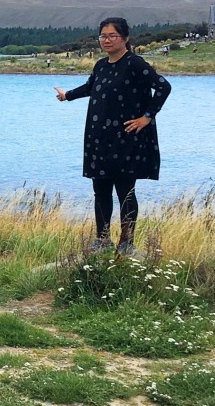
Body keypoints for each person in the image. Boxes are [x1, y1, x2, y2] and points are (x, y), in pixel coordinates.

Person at [54, 17, 171, 254]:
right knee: (101, 190)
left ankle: (127, 243)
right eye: (103, 36)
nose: (106, 40)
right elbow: (90, 88)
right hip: (99, 139)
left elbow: (163, 86)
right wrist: (67, 96)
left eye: (112, 36)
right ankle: (103, 240)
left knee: (125, 191)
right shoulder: (101, 65)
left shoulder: (135, 63)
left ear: (125, 38)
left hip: (127, 139)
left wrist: (147, 117)